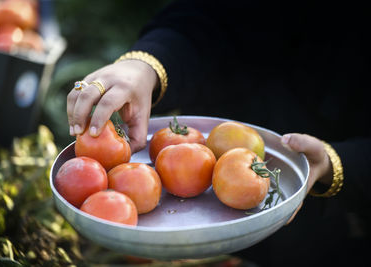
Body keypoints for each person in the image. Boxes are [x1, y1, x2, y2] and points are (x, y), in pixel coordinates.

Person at [66, 0, 370, 266]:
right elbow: (209, 16)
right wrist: (145, 65)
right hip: (204, 202)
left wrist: (340, 165)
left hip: (339, 234)